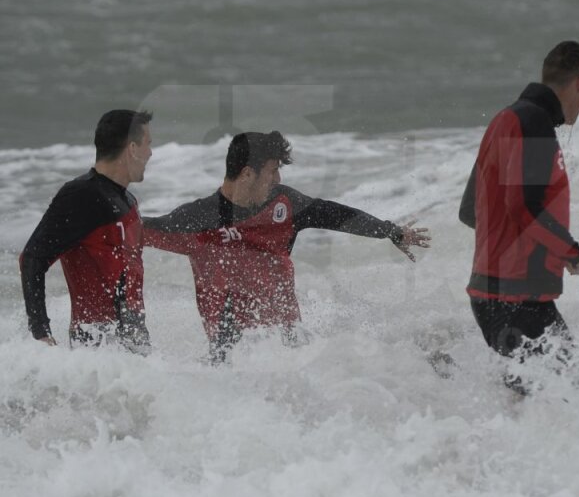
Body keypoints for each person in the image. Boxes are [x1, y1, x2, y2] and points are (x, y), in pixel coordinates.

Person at [142, 131, 430, 362]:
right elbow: (137, 230)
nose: (278, 179)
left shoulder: (285, 205)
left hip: (290, 352)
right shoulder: (197, 220)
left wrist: (391, 231)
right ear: (246, 174)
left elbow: (336, 215)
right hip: (230, 361)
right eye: (272, 171)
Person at [458, 41, 579, 395]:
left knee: (534, 402)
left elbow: (469, 210)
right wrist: (571, 252)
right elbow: (524, 206)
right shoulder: (533, 121)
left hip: (494, 294)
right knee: (577, 395)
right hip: (516, 298)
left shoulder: (506, 120)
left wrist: (508, 243)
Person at [20, 110, 155, 353]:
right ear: (132, 148)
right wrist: (41, 334)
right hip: (95, 345)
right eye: (148, 144)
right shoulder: (81, 195)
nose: (151, 153)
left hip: (134, 341)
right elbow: (32, 258)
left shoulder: (128, 200)